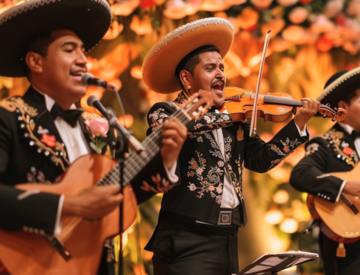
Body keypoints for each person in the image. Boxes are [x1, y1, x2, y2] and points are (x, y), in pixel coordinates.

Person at [0, 0, 187, 274]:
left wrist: (166, 161)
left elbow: (120, 194)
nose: (83, 59)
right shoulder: (9, 117)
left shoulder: (98, 125)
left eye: (83, 50)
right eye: (69, 49)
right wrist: (69, 205)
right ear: (35, 61)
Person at [137, 17, 320, 275]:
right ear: (187, 79)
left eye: (222, 67)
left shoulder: (233, 119)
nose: (221, 74)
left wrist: (298, 124)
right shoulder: (166, 112)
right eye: (211, 68)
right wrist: (228, 115)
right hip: (186, 239)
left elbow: (260, 160)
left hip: (228, 237)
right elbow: (179, 129)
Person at [290, 68, 360, 275]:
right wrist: (347, 186)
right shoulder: (326, 143)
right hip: (349, 247)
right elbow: (300, 174)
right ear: (342, 108)